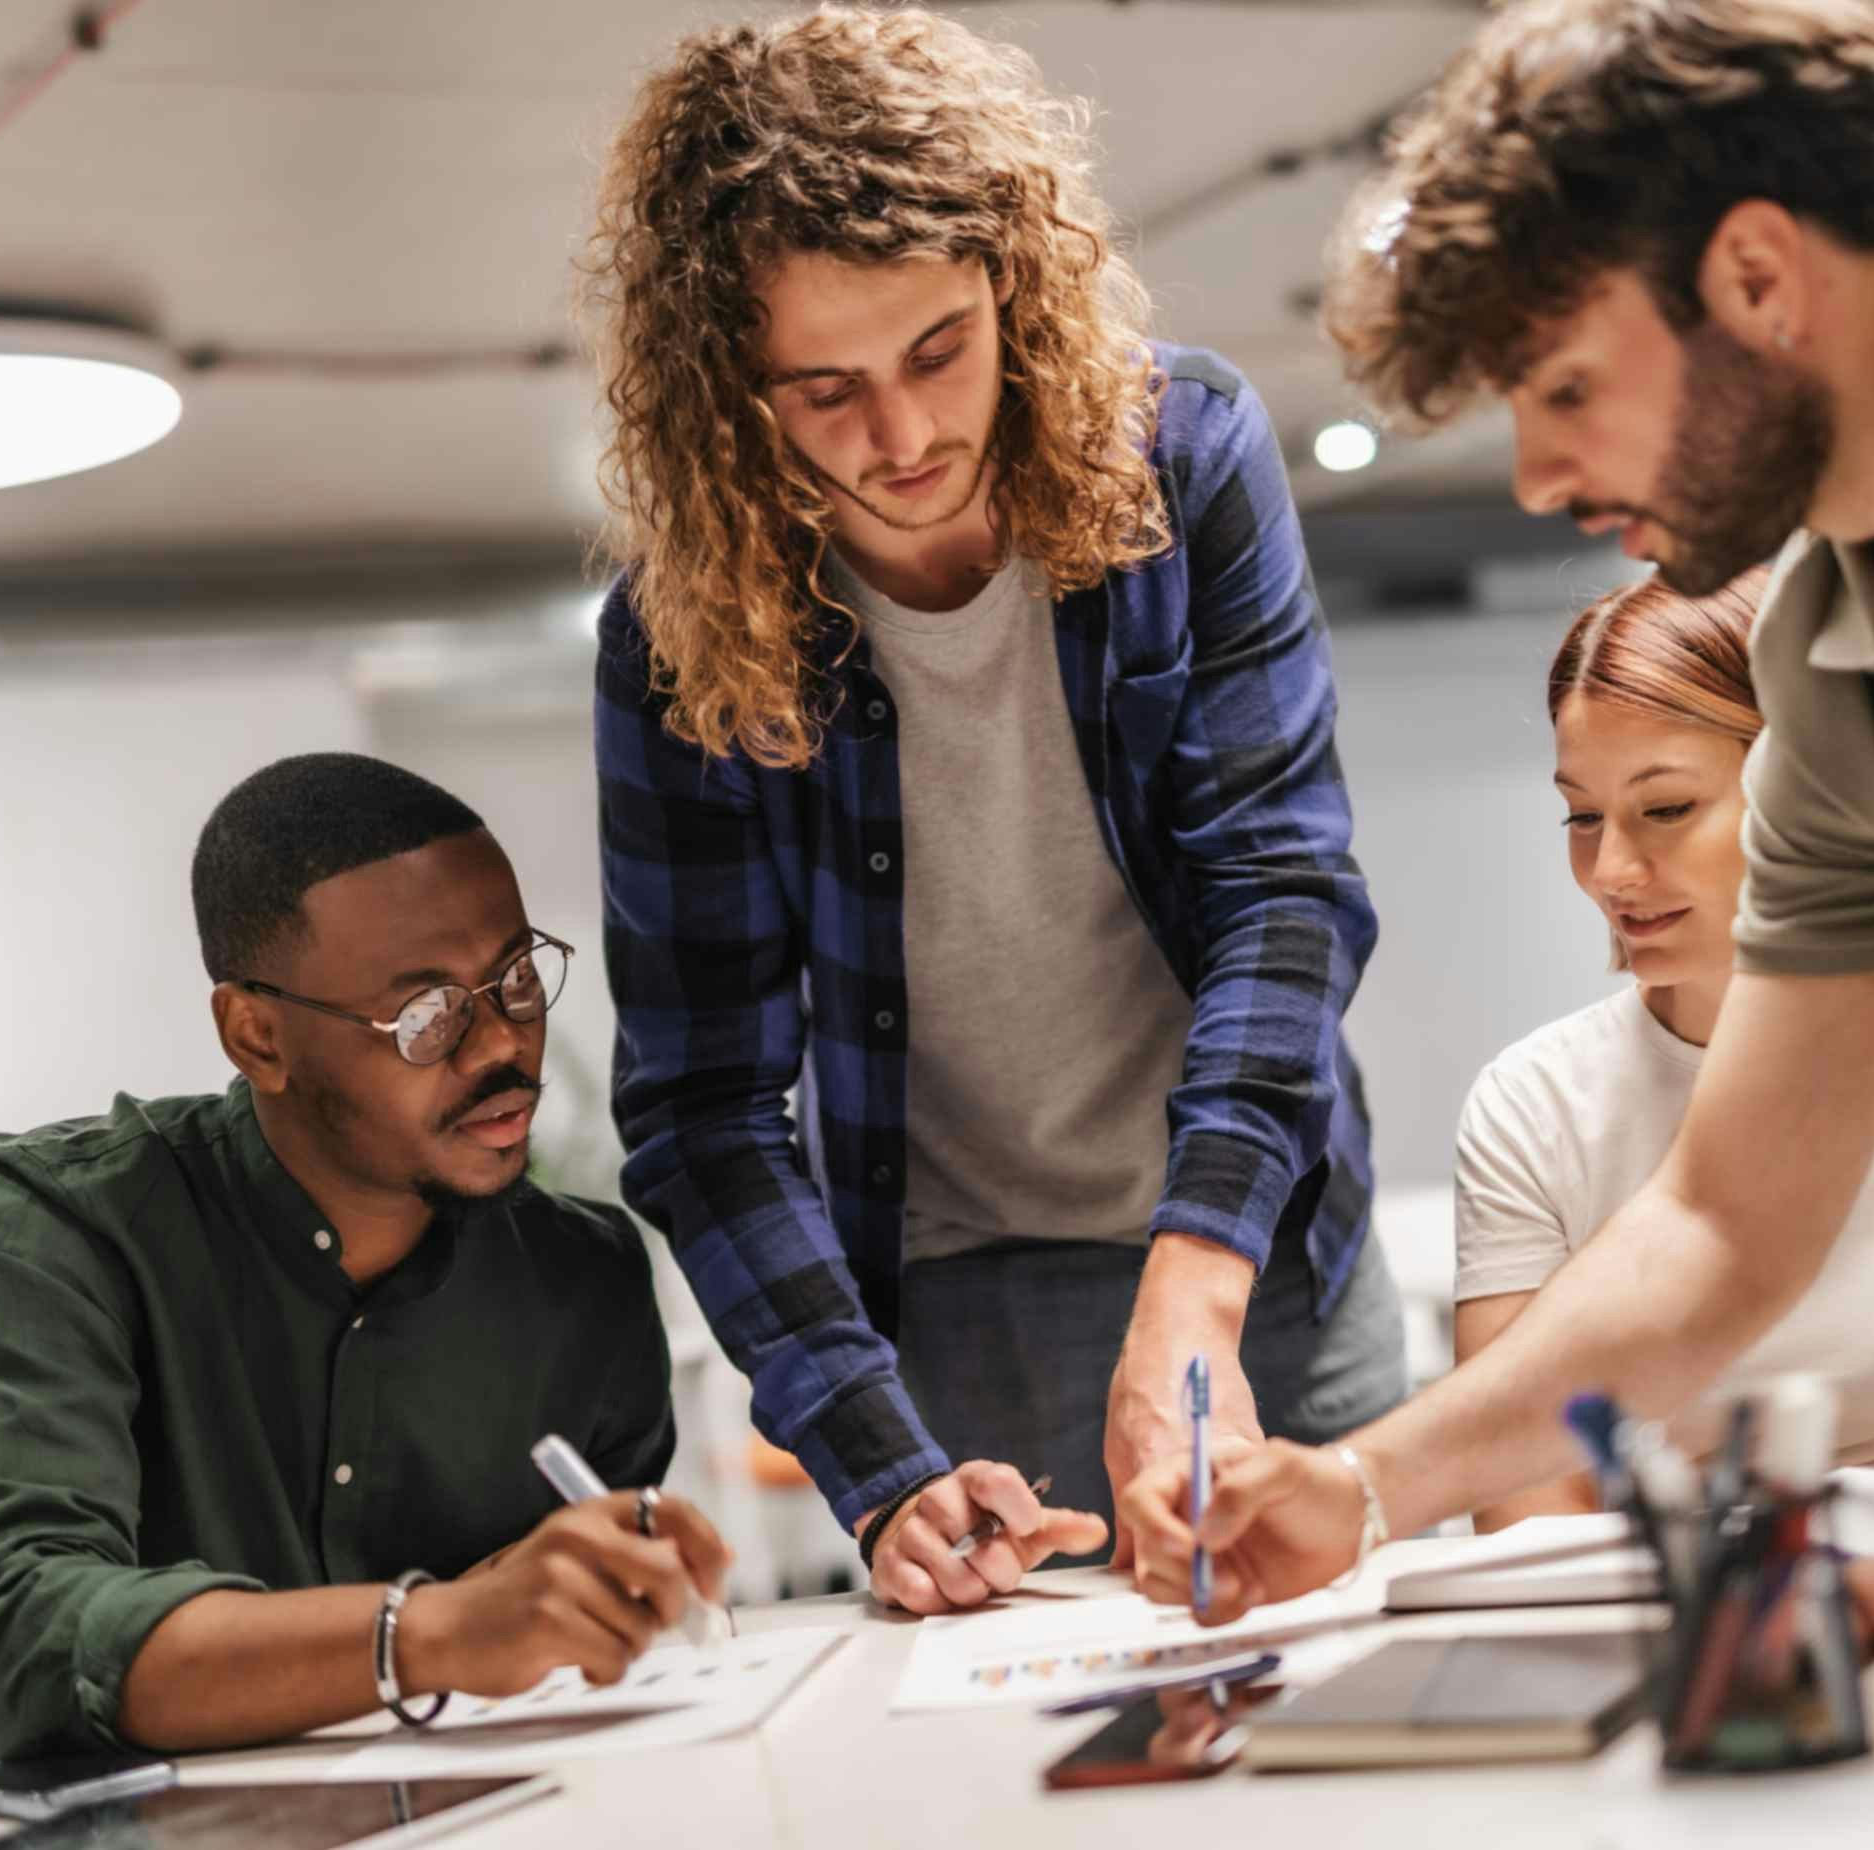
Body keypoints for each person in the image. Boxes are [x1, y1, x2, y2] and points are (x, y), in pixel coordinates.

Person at [1119, 0, 1874, 1691]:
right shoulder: (1853, 659)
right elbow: (1724, 1217)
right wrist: (1365, 1482)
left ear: (1763, 277)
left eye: (1568, 387)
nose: (1543, 475)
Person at [583, 5, 1407, 1615]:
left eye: (935, 352)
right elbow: (701, 1102)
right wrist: (880, 1466)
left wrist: (1194, 1285)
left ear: (1012, 292)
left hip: (1251, 1244)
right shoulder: (679, 634)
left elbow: (1281, 889)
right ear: (726, 391)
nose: (897, 441)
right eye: (821, 390)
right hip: (943, 1292)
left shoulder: (1182, 462)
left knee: (1353, 1703)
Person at [0, 753, 730, 1761]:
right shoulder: (62, 1232)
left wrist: (578, 1599)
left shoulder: (582, 1277)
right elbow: (2, 1641)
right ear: (257, 1036)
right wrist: (430, 1631)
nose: (500, 1046)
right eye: (426, 1014)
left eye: (515, 976)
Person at [1452, 566, 1874, 1530]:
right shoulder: (1533, 1103)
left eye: (1664, 809)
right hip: (1701, 1624)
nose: (1610, 870)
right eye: (1580, 815)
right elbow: (1523, 1499)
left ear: (1812, 789)